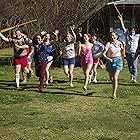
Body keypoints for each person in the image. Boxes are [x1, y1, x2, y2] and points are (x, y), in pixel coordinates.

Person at [118, 15, 140, 83]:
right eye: (131, 30)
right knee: (130, 66)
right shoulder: (127, 34)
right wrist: (121, 19)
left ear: (135, 31)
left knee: (134, 65)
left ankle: (134, 77)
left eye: (133, 30)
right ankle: (132, 74)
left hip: (134, 53)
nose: (132, 31)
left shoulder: (137, 36)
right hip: (128, 53)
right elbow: (123, 27)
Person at [103, 31, 125, 99]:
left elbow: (122, 53)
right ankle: (114, 84)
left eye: (113, 35)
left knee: (115, 77)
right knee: (111, 78)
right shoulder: (108, 44)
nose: (112, 37)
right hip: (110, 61)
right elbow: (103, 54)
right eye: (111, 36)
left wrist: (123, 56)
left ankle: (114, 94)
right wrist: (108, 58)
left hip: (118, 60)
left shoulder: (120, 43)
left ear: (116, 36)